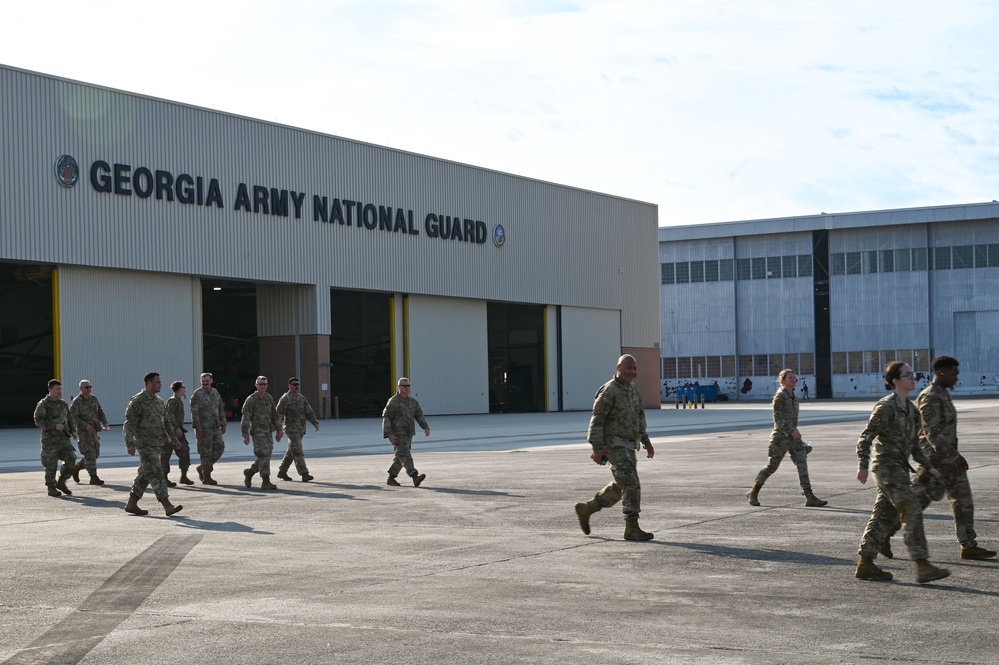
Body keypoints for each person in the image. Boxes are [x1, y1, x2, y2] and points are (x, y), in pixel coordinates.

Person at [880, 357, 996, 561]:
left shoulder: (943, 395)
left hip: (949, 463)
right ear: (941, 373)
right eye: (953, 374)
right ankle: (883, 535)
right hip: (933, 462)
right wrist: (954, 455)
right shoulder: (930, 397)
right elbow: (931, 432)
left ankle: (968, 545)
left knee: (963, 501)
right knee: (915, 505)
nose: (956, 378)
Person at [854, 361, 949, 583]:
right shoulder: (886, 407)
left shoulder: (912, 410)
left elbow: (915, 445)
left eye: (913, 374)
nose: (913, 378)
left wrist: (928, 466)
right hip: (885, 467)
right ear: (895, 381)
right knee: (911, 508)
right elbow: (865, 437)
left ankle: (865, 563)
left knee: (884, 516)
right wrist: (863, 465)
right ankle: (923, 565)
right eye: (907, 375)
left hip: (900, 470)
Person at [573, 354, 656, 541]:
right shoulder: (609, 391)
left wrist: (646, 441)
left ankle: (588, 508)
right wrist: (597, 449)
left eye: (635, 368)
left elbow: (639, 417)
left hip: (628, 444)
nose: (632, 372)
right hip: (613, 444)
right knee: (631, 482)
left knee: (623, 484)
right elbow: (597, 421)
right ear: (619, 367)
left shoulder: (633, 390)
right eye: (628, 368)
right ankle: (632, 527)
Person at [746, 369, 827, 507]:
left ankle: (809, 496)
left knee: (802, 463)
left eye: (795, 378)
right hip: (780, 437)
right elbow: (777, 417)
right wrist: (790, 431)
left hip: (794, 438)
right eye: (790, 377)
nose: (793, 379)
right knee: (772, 467)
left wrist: (795, 433)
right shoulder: (780, 396)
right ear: (783, 380)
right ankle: (753, 491)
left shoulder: (794, 397)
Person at [122, 372, 183, 516]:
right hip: (145, 444)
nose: (160, 384)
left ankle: (132, 504)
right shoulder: (137, 401)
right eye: (158, 382)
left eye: (160, 382)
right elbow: (129, 424)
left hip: (158, 443)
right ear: (149, 384)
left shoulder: (159, 401)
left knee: (145, 473)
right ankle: (167, 505)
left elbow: (166, 422)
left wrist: (174, 440)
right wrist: (129, 443)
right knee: (156, 472)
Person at [33, 379, 79, 497]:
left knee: (71, 459)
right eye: (57, 389)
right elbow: (38, 420)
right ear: (50, 390)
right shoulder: (44, 404)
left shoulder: (63, 403)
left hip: (63, 439)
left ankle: (61, 482)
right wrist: (54, 426)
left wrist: (73, 431)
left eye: (60, 389)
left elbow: (69, 418)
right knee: (50, 465)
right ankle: (51, 487)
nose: (60, 391)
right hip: (50, 440)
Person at [381, 377, 429, 487]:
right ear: (399, 387)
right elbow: (386, 418)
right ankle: (414, 476)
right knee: (406, 454)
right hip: (397, 434)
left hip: (409, 433)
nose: (407, 388)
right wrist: (389, 434)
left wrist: (425, 427)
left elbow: (419, 415)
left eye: (408, 386)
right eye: (404, 386)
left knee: (400, 455)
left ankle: (391, 478)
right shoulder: (393, 401)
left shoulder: (412, 401)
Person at [242, 376, 283, 490]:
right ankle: (266, 481)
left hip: (268, 431)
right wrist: (245, 434)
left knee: (266, 456)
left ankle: (250, 472)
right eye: (261, 384)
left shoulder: (268, 398)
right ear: (256, 385)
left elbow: (275, 415)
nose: (263, 386)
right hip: (257, 432)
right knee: (263, 454)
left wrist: (279, 430)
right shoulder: (251, 399)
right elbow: (245, 417)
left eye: (265, 384)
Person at [275, 377, 319, 482]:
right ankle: (304, 473)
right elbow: (279, 415)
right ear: (289, 386)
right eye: (294, 384)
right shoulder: (285, 399)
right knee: (298, 450)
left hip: (300, 429)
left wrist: (315, 422)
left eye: (298, 384)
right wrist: (278, 429)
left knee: (292, 451)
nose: (296, 386)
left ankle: (282, 471)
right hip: (291, 429)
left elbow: (309, 411)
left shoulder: (301, 398)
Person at [69, 379, 110, 486]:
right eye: (86, 387)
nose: (89, 389)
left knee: (95, 454)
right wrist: (85, 425)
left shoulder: (94, 399)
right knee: (90, 453)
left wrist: (105, 423)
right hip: (83, 432)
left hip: (94, 431)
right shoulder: (77, 402)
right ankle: (93, 477)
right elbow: (73, 417)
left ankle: (77, 467)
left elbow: (100, 412)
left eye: (90, 387)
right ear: (81, 389)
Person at [190, 371, 227, 485]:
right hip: (204, 428)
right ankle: (207, 477)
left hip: (215, 426)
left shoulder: (215, 393)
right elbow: (194, 411)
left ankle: (202, 467)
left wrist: (223, 423)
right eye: (203, 381)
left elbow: (220, 409)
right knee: (205, 452)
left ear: (211, 381)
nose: (205, 383)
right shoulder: (197, 394)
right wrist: (197, 427)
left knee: (220, 448)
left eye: (207, 381)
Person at [164, 380, 195, 485]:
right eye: (183, 387)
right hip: (170, 433)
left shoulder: (178, 400)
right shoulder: (173, 401)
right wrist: (176, 428)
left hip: (179, 432)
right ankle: (164, 478)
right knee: (165, 455)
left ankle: (184, 476)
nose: (185, 389)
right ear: (180, 389)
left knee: (185, 451)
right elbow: (169, 415)